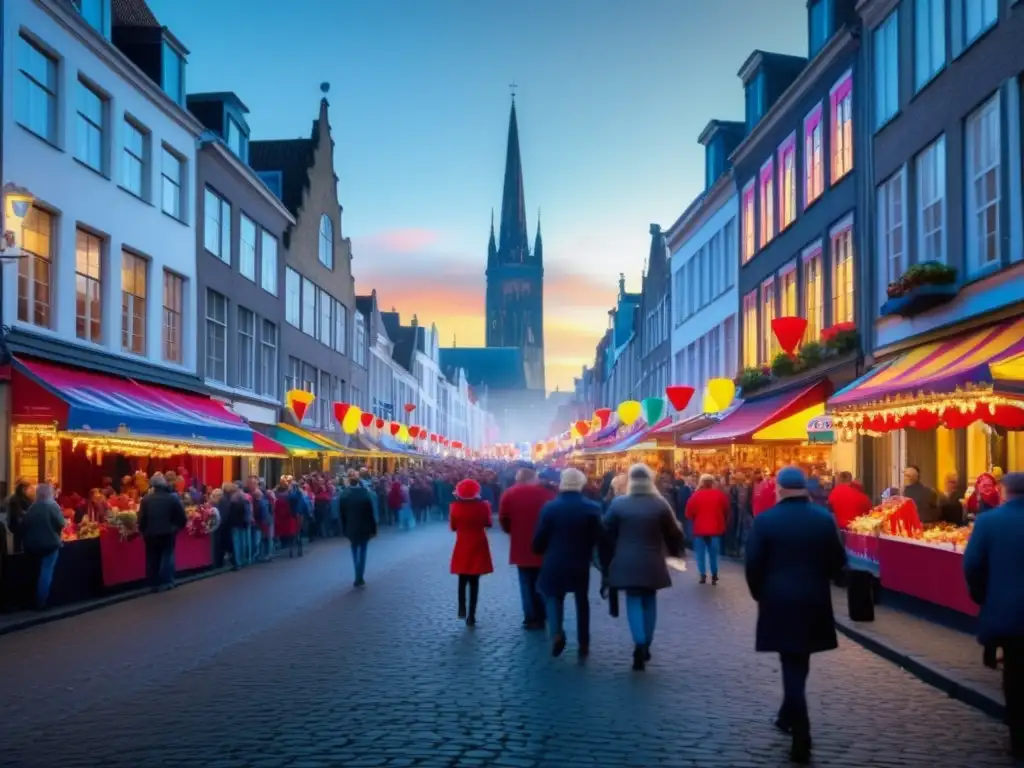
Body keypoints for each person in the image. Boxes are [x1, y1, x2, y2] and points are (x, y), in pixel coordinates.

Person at [744, 466, 847, 765]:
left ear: (779, 489)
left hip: (777, 599)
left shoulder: (765, 521)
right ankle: (787, 715)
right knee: (799, 658)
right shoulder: (823, 519)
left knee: (790, 659)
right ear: (803, 488)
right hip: (813, 599)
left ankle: (800, 729)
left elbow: (753, 564)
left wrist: (759, 592)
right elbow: (836, 561)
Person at [964, 472, 1024, 758]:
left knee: (1014, 674)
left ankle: (1018, 736)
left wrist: (983, 598)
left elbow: (973, 565)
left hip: (1009, 613)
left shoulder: (989, 521)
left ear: (1004, 491)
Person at [603, 463, 684, 671]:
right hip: (652, 561)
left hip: (627, 561)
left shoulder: (619, 504)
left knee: (633, 600)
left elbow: (606, 532)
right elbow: (673, 533)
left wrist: (607, 559)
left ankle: (639, 642)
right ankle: (646, 642)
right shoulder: (659, 504)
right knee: (649, 600)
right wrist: (675, 553)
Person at [532, 468, 602, 659]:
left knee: (554, 597)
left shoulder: (550, 507)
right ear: (581, 483)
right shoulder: (592, 508)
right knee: (582, 601)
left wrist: (538, 548)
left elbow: (540, 538)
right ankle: (583, 642)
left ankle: (556, 633)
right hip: (580, 561)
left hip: (554, 560)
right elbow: (598, 537)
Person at [498, 467, 555, 630]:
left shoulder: (509, 494)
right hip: (544, 545)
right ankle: (544, 614)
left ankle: (531, 617)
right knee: (543, 582)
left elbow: (504, 519)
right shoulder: (546, 494)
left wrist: (512, 531)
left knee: (526, 583)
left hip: (521, 544)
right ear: (533, 479)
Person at [449, 478, 494, 627]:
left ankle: (461, 607)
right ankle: (472, 615)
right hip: (478, 543)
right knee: (475, 582)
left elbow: (453, 526)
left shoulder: (455, 507)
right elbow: (488, 523)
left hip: (462, 543)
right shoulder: (483, 506)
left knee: (462, 578)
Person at [138, 472, 187, 592]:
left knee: (152, 558)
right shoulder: (172, 498)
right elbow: (182, 517)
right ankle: (167, 581)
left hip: (151, 533)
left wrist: (144, 531)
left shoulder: (146, 499)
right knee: (167, 556)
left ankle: (153, 583)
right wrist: (175, 529)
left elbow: (141, 519)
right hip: (167, 532)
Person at [20, 482, 65, 610]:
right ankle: (42, 601)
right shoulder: (52, 506)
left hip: (31, 545)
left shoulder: (32, 508)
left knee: (33, 572)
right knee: (46, 571)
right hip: (50, 544)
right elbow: (61, 523)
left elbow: (25, 525)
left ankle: (29, 599)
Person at [685, 474, 729, 585]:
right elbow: (726, 508)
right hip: (715, 529)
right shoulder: (719, 495)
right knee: (713, 553)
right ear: (712, 483)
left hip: (700, 529)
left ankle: (702, 575)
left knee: (700, 554)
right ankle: (714, 575)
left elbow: (688, 513)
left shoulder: (695, 496)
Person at [339, 470, 377, 587]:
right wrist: (373, 529)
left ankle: (357, 574)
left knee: (355, 551)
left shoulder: (344, 495)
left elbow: (342, 514)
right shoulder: (366, 494)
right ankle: (360, 575)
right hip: (364, 527)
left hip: (351, 527)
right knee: (363, 551)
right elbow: (371, 513)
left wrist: (343, 529)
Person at [5, 480, 33, 554]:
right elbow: (17, 512)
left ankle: (19, 554)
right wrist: (28, 514)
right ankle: (18, 556)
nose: (28, 490)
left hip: (20, 523)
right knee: (18, 541)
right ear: (23, 489)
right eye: (27, 488)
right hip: (17, 523)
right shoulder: (15, 499)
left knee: (20, 541)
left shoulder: (25, 498)